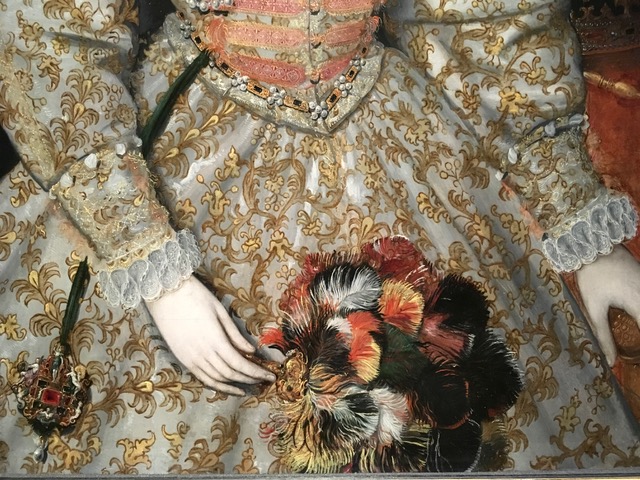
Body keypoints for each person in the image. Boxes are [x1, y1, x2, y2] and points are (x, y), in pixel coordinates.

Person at [1, 0, 640, 473]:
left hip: (397, 133)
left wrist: (583, 225)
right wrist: (156, 271)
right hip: (190, 142)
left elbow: (487, 21)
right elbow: (52, 39)